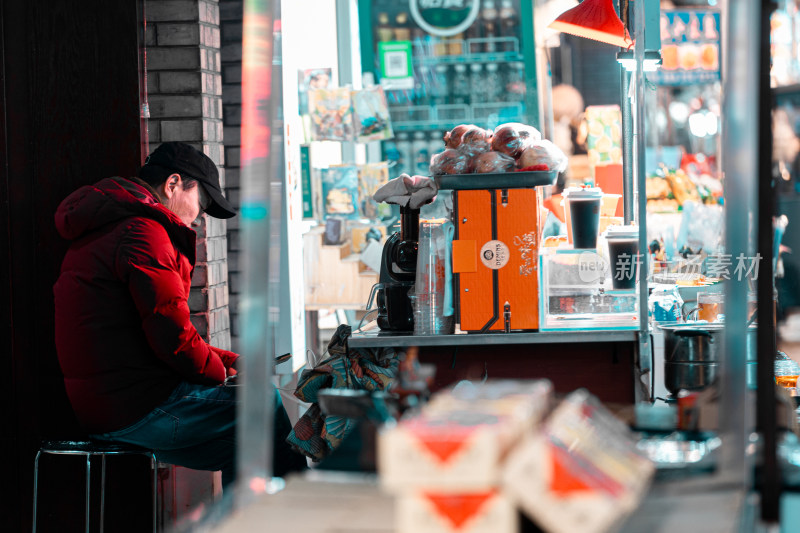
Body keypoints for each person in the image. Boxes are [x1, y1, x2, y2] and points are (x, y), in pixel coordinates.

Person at [53, 142, 306, 487]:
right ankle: (301, 513)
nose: (199, 216)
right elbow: (172, 337)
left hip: (108, 403)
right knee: (263, 403)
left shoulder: (113, 226)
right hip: (134, 408)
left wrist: (232, 361)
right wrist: (221, 374)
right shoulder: (143, 234)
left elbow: (161, 328)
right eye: (200, 203)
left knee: (243, 448)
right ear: (173, 185)